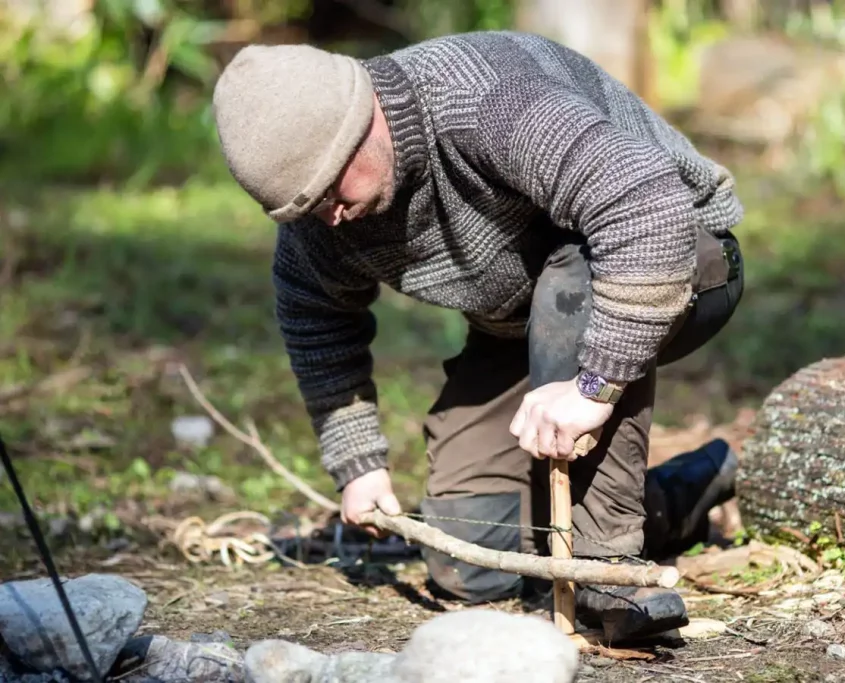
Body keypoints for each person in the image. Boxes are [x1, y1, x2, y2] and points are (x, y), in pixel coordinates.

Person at [212, 30, 745, 642]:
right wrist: (358, 464)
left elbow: (647, 205)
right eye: (301, 209)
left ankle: (609, 573)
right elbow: (314, 315)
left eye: (330, 191)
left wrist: (594, 388)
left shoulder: (482, 98)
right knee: (467, 560)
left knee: (571, 286)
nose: (327, 215)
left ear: (362, 121)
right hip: (523, 322)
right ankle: (690, 489)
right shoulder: (322, 212)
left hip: (678, 257)